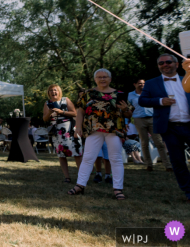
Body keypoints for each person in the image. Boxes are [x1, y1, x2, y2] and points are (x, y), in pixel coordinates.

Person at [68, 69, 132, 200]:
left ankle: (118, 189)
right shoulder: (88, 93)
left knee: (115, 158)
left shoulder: (119, 94)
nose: (102, 79)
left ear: (110, 79)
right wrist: (78, 127)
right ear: (95, 79)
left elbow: (129, 114)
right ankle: (80, 185)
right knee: (88, 158)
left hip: (114, 130)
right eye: (99, 77)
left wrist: (125, 109)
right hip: (93, 129)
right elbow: (80, 112)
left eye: (105, 77)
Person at [139, 54, 190, 203]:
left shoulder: (185, 80)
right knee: (178, 161)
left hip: (188, 124)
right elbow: (142, 100)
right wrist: (160, 101)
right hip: (169, 128)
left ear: (176, 64)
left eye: (168, 62)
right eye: (161, 63)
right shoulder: (151, 83)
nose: (165, 64)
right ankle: (188, 192)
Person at [127, 77, 172, 172]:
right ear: (134, 84)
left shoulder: (149, 92)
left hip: (152, 118)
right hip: (139, 119)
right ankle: (149, 165)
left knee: (159, 142)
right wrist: (128, 120)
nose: (142, 85)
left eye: (143, 83)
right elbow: (129, 108)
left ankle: (167, 165)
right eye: (140, 83)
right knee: (144, 143)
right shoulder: (130, 95)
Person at [43, 84, 82, 183]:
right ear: (49, 93)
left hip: (69, 129)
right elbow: (45, 119)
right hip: (57, 131)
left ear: (59, 91)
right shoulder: (47, 103)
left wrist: (62, 112)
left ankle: (82, 177)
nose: (53, 92)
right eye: (51, 90)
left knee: (77, 153)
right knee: (61, 155)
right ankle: (67, 177)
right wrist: (49, 112)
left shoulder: (65, 100)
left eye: (55, 90)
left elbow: (75, 113)